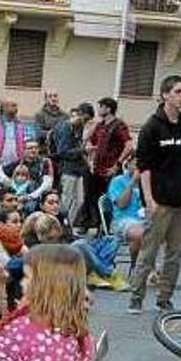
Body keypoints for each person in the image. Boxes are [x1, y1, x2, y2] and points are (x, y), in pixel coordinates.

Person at [128, 75, 181, 314]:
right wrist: (149, 200)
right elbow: (144, 167)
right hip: (160, 200)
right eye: (179, 91)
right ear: (165, 95)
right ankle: (136, 297)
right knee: (148, 251)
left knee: (175, 253)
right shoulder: (152, 126)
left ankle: (164, 298)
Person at [81, 97, 132, 230]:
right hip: (96, 168)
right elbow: (88, 140)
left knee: (108, 200)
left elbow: (129, 145)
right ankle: (91, 224)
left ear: (108, 109)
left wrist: (118, 164)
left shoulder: (119, 125)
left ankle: (106, 228)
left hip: (110, 169)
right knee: (91, 198)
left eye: (100, 106)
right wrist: (90, 152)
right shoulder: (99, 125)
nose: (98, 109)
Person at [53, 102, 91, 229]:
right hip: (68, 170)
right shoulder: (65, 127)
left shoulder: (78, 128)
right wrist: (83, 150)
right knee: (66, 201)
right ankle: (60, 225)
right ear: (79, 115)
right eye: (85, 119)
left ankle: (69, 225)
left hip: (79, 170)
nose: (85, 123)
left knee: (80, 200)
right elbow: (62, 151)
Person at [107, 157, 145, 261]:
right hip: (123, 219)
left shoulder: (148, 181)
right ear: (127, 165)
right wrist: (132, 182)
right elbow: (121, 204)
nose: (139, 168)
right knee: (139, 234)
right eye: (136, 164)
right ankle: (137, 266)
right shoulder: (118, 181)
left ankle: (155, 268)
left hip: (146, 218)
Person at [0, 98, 28, 169]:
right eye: (13, 105)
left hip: (16, 162)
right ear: (4, 108)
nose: (16, 108)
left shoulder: (20, 124)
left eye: (16, 106)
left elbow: (24, 142)